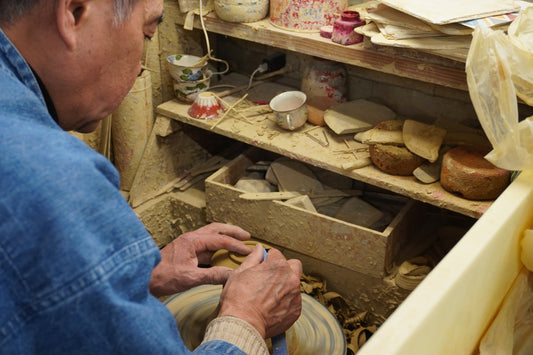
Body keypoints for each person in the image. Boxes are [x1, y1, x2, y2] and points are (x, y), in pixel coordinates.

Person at [0, 0, 302, 354]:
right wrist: (247, 317)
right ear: (74, 11)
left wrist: (131, 274)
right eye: (146, 33)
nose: (141, 66)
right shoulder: (53, 179)